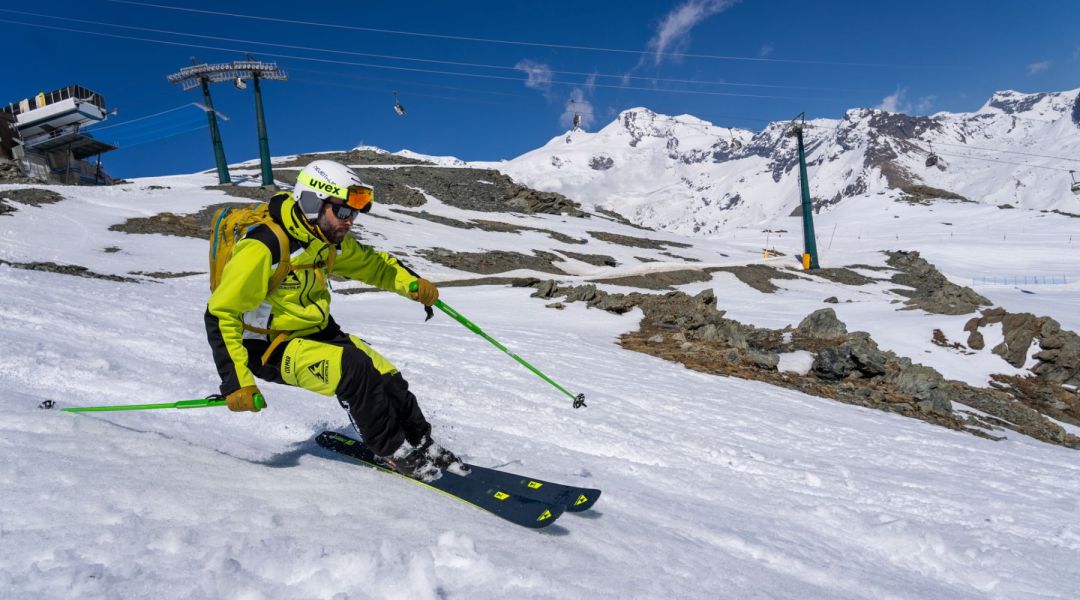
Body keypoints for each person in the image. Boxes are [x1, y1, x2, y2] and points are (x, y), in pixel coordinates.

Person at [205, 159, 465, 481]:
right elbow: (221, 314)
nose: (349, 221)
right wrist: (237, 382)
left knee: (386, 375)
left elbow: (375, 266)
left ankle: (421, 442)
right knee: (355, 371)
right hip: (269, 346)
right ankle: (393, 451)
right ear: (312, 203)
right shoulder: (264, 247)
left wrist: (411, 285)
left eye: (353, 213)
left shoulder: (327, 241)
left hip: (316, 332)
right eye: (342, 211)